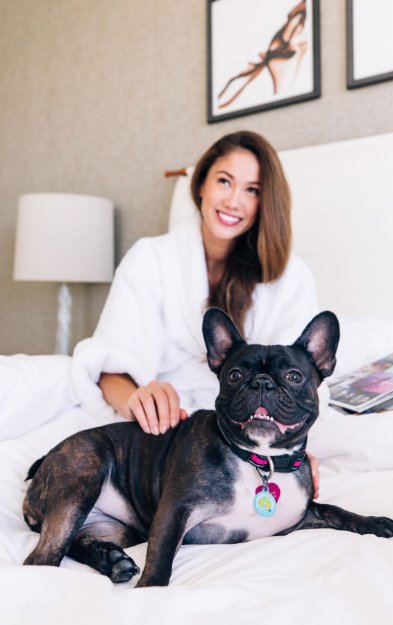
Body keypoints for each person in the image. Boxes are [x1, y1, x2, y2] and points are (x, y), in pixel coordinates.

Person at [72, 130, 323, 494]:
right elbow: (109, 366)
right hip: (162, 433)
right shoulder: (151, 259)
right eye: (224, 181)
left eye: (252, 190)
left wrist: (293, 450)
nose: (234, 201)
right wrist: (139, 400)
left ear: (266, 202)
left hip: (247, 435)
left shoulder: (290, 277)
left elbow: (299, 385)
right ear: (202, 183)